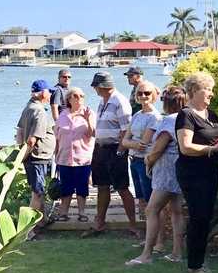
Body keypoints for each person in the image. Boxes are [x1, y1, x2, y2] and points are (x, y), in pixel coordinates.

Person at [176, 74, 218, 273]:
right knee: (198, 216)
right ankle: (194, 264)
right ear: (193, 92)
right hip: (193, 173)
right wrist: (211, 150)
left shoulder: (211, 114)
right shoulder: (186, 115)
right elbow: (185, 147)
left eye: (211, 89)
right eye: (206, 89)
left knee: (206, 216)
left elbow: (215, 138)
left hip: (211, 171)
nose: (211, 93)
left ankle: (198, 260)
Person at [129, 85, 188, 266]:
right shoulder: (186, 118)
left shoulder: (167, 121)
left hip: (166, 170)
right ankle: (177, 252)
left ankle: (146, 254)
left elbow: (158, 148)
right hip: (180, 168)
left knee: (151, 209)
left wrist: (148, 160)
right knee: (177, 211)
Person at [85, 71, 138, 238]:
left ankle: (133, 225)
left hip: (115, 149)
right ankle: (99, 223)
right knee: (101, 186)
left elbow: (126, 129)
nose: (94, 89)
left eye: (96, 86)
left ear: (101, 87)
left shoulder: (119, 101)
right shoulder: (103, 102)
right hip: (101, 148)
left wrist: (121, 151)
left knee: (122, 187)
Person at [54, 87, 95, 223]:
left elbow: (92, 134)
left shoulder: (88, 113)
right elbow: (57, 136)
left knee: (82, 186)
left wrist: (88, 120)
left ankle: (82, 212)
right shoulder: (63, 115)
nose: (79, 98)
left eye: (82, 96)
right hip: (64, 157)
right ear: (69, 99)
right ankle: (63, 212)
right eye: (76, 96)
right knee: (66, 187)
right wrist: (56, 154)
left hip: (82, 157)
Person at [15, 80, 56, 216]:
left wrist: (20, 150)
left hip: (35, 157)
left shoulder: (28, 107)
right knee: (37, 193)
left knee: (39, 190)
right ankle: (29, 229)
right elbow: (32, 140)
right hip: (37, 158)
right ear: (43, 93)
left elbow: (20, 131)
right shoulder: (39, 112)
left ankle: (42, 220)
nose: (50, 94)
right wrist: (21, 158)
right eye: (49, 92)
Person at [125, 81, 162, 225]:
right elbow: (124, 141)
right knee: (139, 197)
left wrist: (131, 143)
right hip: (133, 160)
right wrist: (132, 144)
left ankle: (153, 233)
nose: (143, 96)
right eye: (140, 93)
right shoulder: (137, 115)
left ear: (153, 95)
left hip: (146, 161)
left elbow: (143, 144)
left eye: (147, 93)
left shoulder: (155, 117)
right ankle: (144, 230)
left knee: (149, 198)